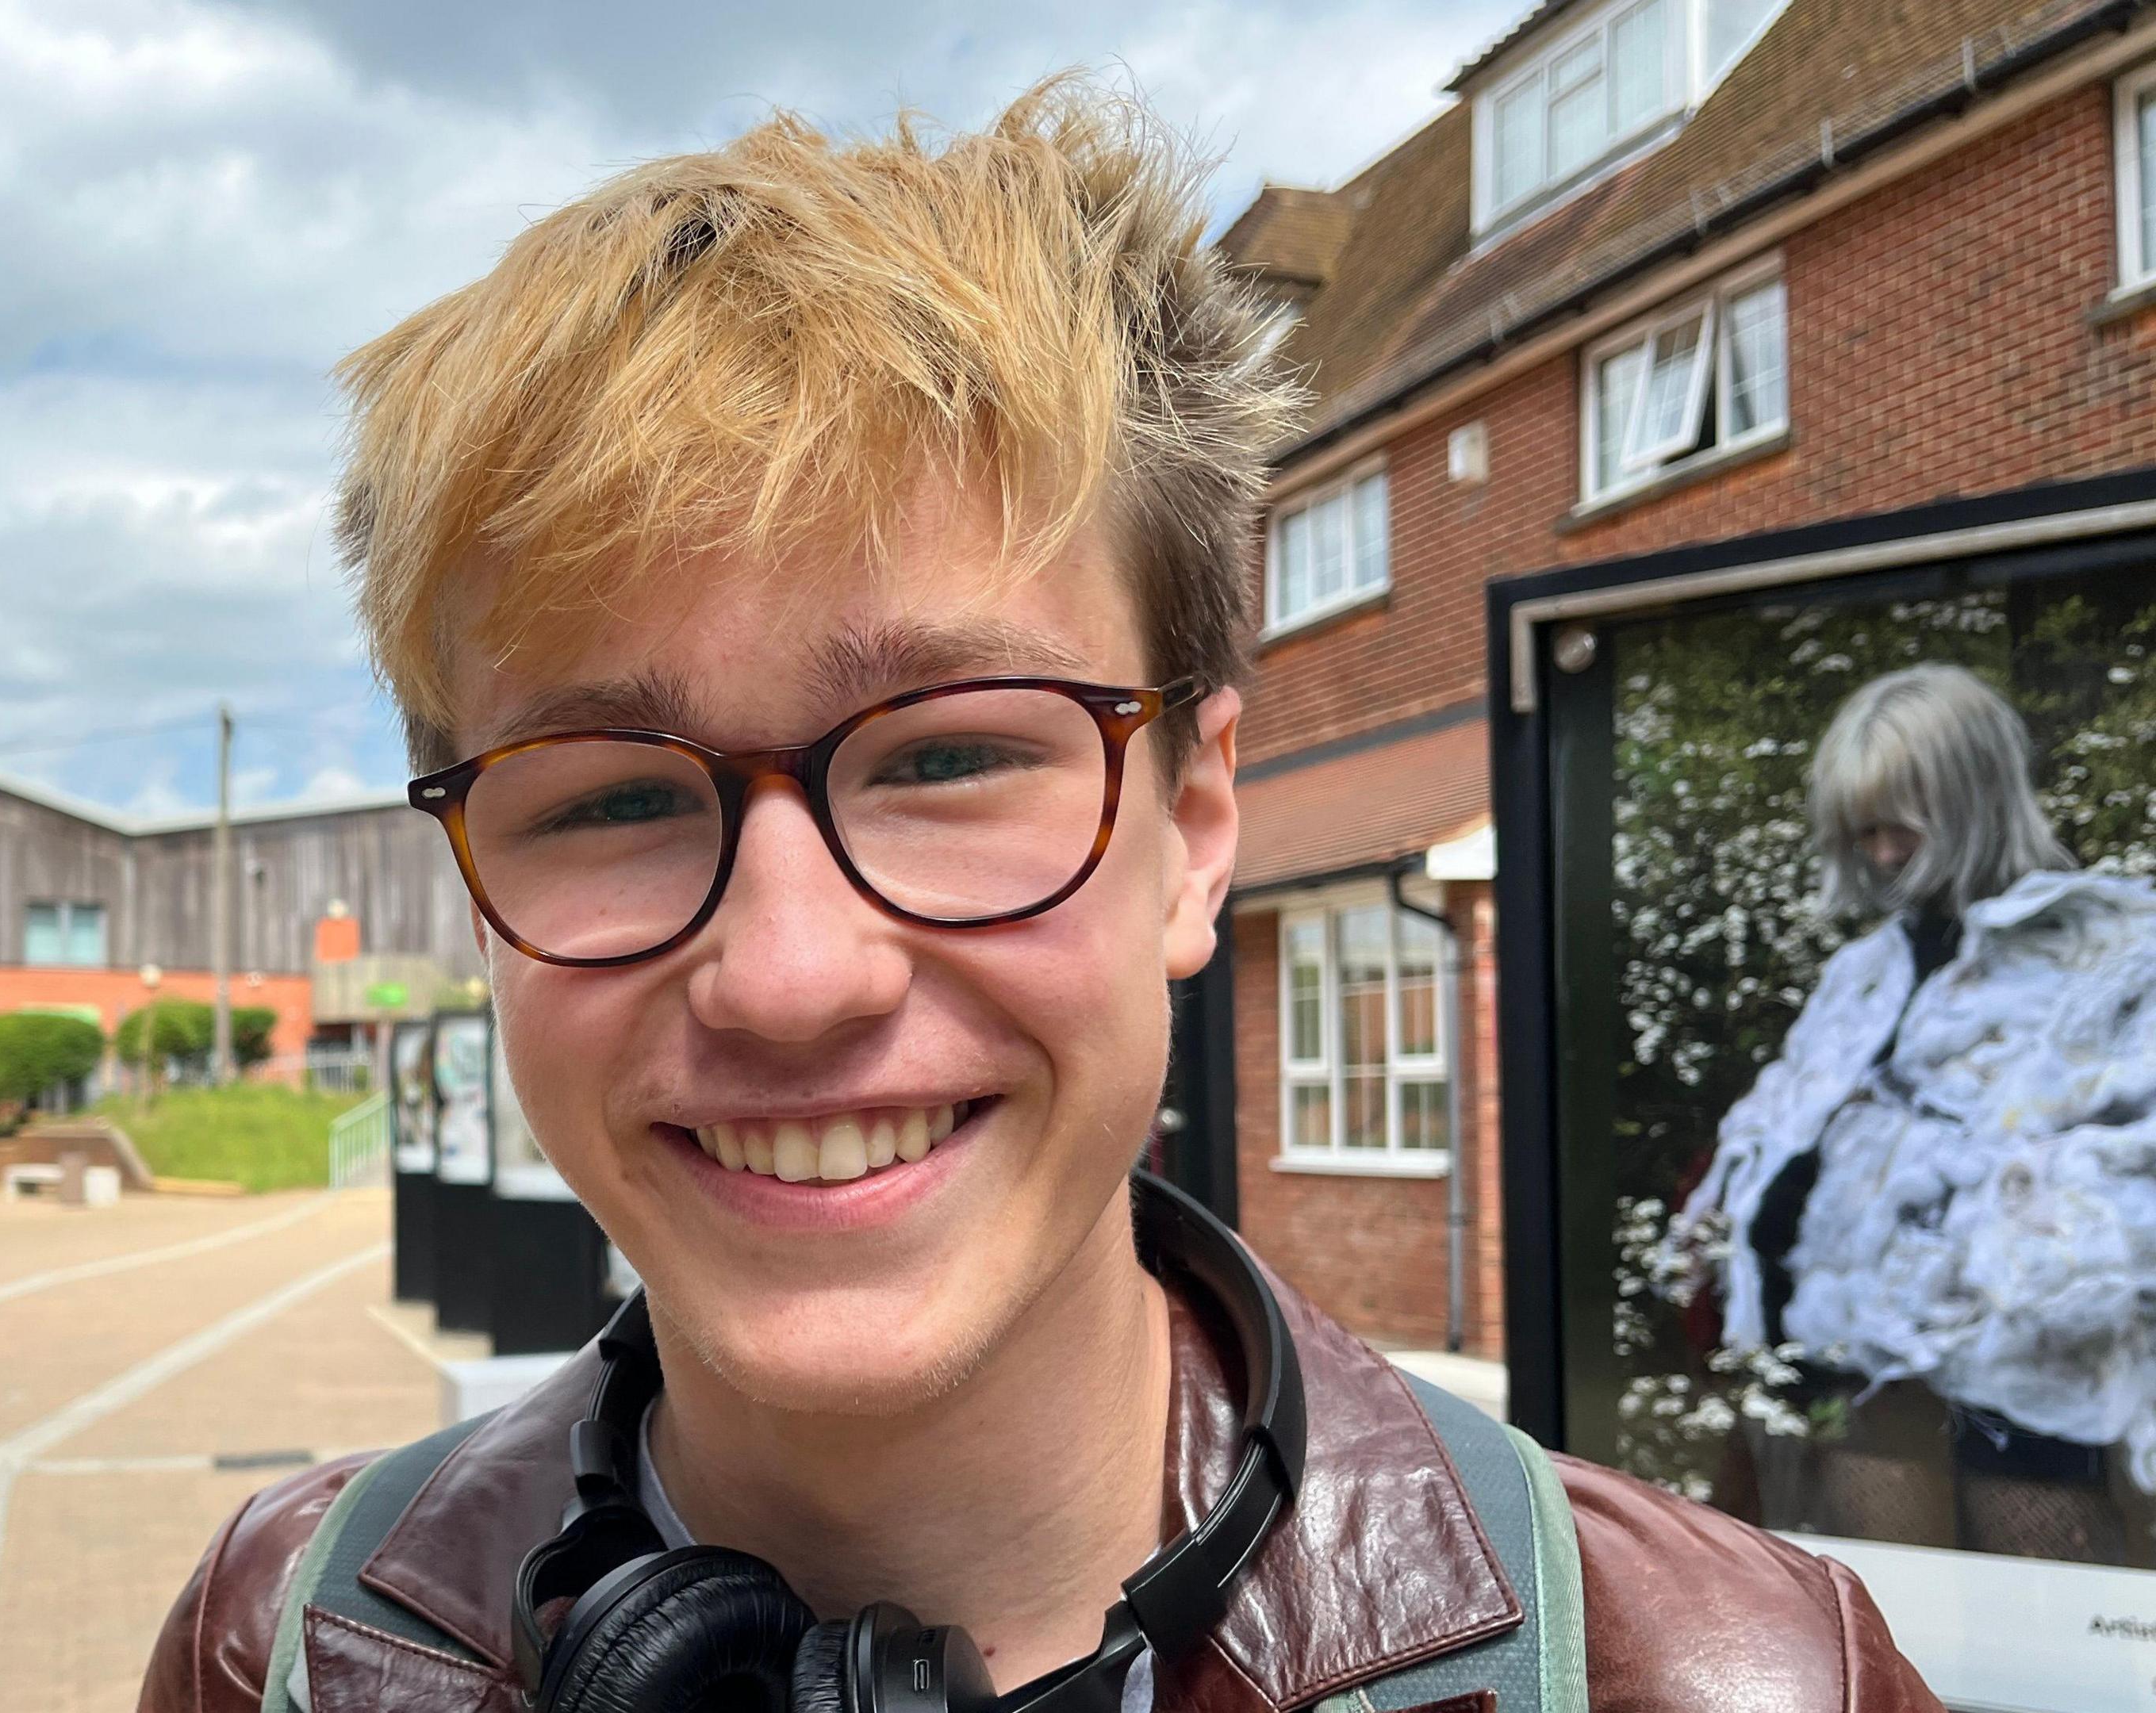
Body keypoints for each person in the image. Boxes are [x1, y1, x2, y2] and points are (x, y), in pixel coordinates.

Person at [144, 81, 1939, 1713]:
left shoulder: (1728, 1675)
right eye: (610, 793)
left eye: (942, 758)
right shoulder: (275, 1650)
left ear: (1195, 824)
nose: (785, 971)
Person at [1670, 662, 2156, 1565]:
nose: (1885, 856)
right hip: (1846, 1373)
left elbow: (2132, 1177)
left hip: (2027, 1389)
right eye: (1863, 833)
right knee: (1896, 1628)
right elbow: (1776, 1140)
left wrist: (1997, 1260)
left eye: (1901, 825)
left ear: (1974, 799)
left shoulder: (2110, 956)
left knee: (2045, 1635)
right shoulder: (1865, 976)